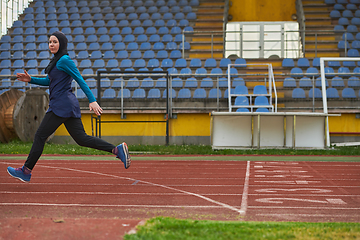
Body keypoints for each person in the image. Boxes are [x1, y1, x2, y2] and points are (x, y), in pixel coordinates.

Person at [7, 31, 130, 183]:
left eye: (55, 42)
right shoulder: (57, 61)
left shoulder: (64, 60)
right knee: (81, 139)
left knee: (39, 136)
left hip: (61, 105)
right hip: (67, 105)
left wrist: (92, 100)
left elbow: (79, 78)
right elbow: (49, 81)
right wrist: (31, 79)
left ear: (62, 44)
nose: (51, 44)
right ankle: (117, 150)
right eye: (50, 42)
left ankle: (26, 171)